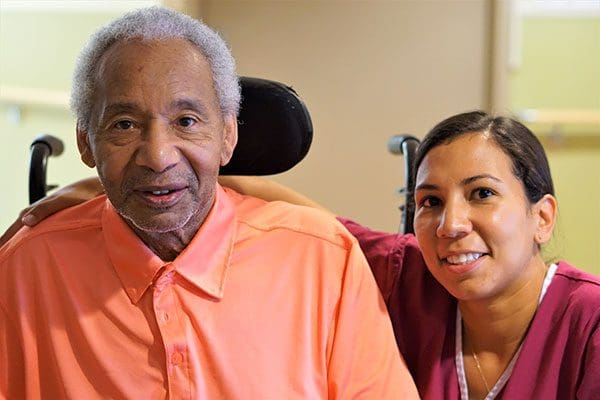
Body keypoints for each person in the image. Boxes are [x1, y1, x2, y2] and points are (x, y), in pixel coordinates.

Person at [12, 111, 600, 399]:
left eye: (482, 195)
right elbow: (301, 215)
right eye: (429, 201)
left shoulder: (588, 325)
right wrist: (107, 184)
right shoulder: (402, 272)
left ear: (542, 215)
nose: (450, 225)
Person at [0, 7, 420, 399]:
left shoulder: (324, 259)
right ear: (85, 143)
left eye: (186, 121)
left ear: (227, 136)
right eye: (124, 125)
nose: (158, 155)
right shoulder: (26, 269)